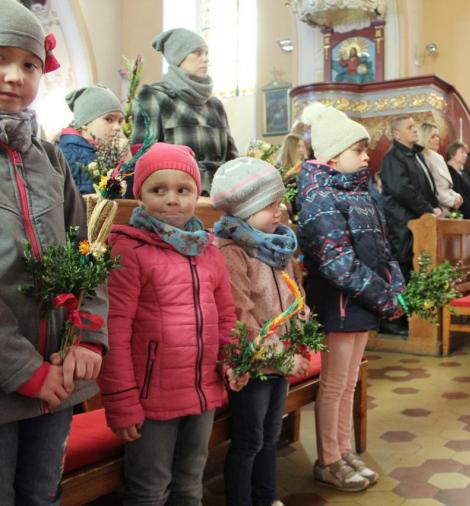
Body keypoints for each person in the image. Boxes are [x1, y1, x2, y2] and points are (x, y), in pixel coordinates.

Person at [0, 1, 108, 503]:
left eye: (29, 64)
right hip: (8, 381)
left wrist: (87, 338)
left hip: (60, 374)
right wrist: (26, 371)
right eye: (1, 59)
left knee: (42, 494)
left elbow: (85, 250)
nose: (14, 76)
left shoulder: (51, 159)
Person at [99, 143, 243, 505]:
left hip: (203, 390)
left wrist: (232, 359)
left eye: (183, 190)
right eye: (158, 189)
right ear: (140, 195)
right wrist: (121, 400)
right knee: (150, 490)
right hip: (151, 399)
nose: (172, 199)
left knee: (191, 484)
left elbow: (226, 315)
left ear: (197, 194)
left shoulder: (208, 250)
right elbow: (114, 329)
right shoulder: (129, 249)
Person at [297, 102, 405, 492]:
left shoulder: (361, 194)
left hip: (363, 303)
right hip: (340, 305)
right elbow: (338, 264)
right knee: (334, 384)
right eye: (358, 150)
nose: (365, 157)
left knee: (349, 384)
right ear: (331, 155)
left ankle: (343, 452)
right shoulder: (319, 198)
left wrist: (396, 287)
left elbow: (384, 250)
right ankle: (328, 460)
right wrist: (383, 297)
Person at [211, 157, 311, 506]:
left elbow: (293, 294)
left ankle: (266, 498)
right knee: (249, 440)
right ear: (246, 209)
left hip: (279, 359)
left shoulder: (274, 245)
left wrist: (301, 328)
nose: (280, 209)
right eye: (271, 204)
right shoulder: (232, 252)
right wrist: (281, 357)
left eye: (280, 202)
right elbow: (241, 317)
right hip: (252, 365)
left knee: (271, 435)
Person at [131, 28, 238, 194]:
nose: (206, 59)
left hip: (220, 197)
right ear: (178, 57)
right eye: (197, 53)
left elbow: (232, 159)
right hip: (177, 198)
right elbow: (143, 159)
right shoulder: (154, 97)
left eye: (206, 53)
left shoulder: (215, 105)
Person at [379, 115, 439, 335]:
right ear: (397, 134)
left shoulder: (415, 155)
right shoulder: (392, 157)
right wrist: (428, 209)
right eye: (410, 127)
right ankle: (393, 320)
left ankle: (410, 318)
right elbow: (402, 190)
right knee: (402, 268)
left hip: (419, 222)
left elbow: (425, 188)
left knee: (414, 269)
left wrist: (433, 207)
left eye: (415, 126)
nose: (415, 130)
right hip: (402, 222)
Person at [59, 84, 129, 195]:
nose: (117, 127)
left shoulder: (104, 151)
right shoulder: (72, 156)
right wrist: (126, 162)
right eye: (109, 119)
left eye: (120, 121)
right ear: (84, 123)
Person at [419, 122, 462, 216]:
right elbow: (433, 188)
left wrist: (457, 197)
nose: (437, 139)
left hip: (447, 208)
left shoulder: (438, 157)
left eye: (437, 136)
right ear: (424, 138)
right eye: (433, 136)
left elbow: (446, 186)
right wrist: (451, 201)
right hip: (437, 210)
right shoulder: (424, 157)